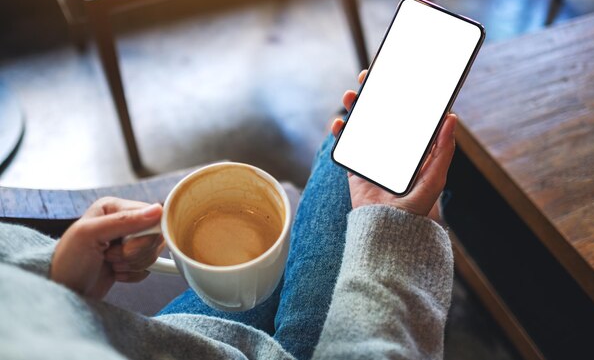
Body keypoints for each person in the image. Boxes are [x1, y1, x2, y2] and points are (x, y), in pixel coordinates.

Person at [0, 70, 456, 360]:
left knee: (356, 146)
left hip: (170, 338)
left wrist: (56, 281)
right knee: (361, 161)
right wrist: (395, 249)